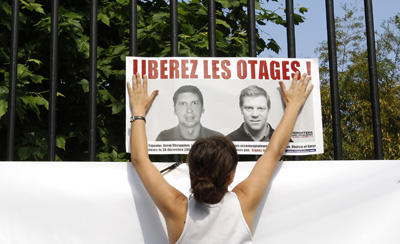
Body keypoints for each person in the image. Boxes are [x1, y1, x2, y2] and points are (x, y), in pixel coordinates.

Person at [127, 71, 313, 244]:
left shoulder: (177, 209)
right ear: (231, 175)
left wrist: (138, 112)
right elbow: (274, 151)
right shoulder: (244, 202)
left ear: (191, 171)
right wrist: (294, 105)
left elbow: (139, 159)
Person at [156, 85, 221, 141]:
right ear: (175, 110)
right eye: (182, 104)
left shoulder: (218, 138)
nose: (189, 110)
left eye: (194, 103)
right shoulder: (163, 138)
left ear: (202, 108)